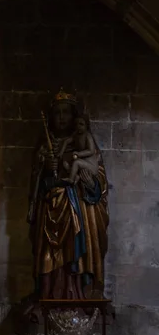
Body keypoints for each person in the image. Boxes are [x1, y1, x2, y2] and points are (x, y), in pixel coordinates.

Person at [27, 90, 109, 301]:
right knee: (47, 254)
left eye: (66, 113)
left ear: (74, 117)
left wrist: (85, 178)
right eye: (57, 113)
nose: (62, 117)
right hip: (51, 207)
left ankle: (78, 296)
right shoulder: (45, 146)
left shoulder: (83, 142)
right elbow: (35, 184)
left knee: (77, 251)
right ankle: (47, 298)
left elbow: (98, 178)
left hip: (77, 209)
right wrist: (45, 167)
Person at [59, 115, 99, 185]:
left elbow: (91, 150)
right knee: (65, 163)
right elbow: (67, 141)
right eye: (76, 124)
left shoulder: (87, 136)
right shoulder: (75, 134)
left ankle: (71, 179)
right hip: (83, 163)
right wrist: (61, 152)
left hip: (91, 166)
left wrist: (79, 154)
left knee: (76, 163)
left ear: (86, 126)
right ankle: (75, 176)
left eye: (81, 124)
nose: (78, 126)